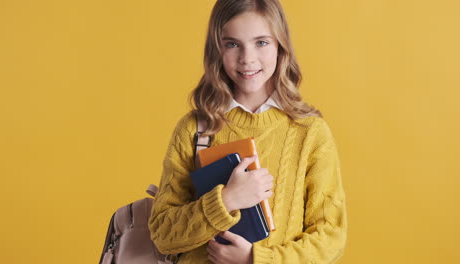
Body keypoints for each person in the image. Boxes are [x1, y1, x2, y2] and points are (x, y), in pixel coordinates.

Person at [148, 0, 347, 263]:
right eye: (232, 44)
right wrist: (227, 200)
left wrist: (255, 259)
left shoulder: (309, 132)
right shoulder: (195, 129)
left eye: (261, 42)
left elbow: (330, 237)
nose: (247, 58)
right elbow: (163, 234)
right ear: (216, 50)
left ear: (280, 46)